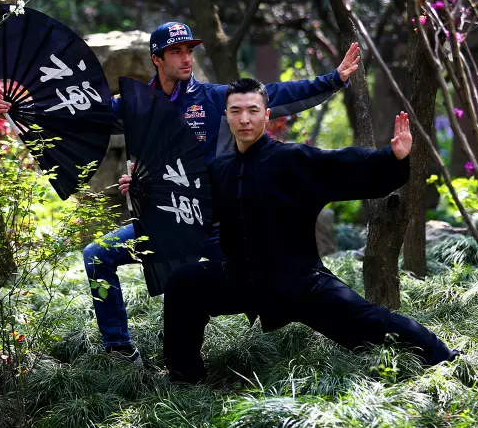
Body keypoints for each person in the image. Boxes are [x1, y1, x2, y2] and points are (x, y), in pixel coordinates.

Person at [0, 22, 363, 363]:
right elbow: (84, 115)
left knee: (281, 278)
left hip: (215, 224)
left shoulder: (214, 98)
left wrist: (333, 79)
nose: (186, 58)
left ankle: (355, 330)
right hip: (164, 225)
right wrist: (24, 109)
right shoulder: (135, 104)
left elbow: (278, 95)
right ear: (157, 59)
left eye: (190, 50)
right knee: (96, 255)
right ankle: (120, 349)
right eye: (176, 52)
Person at [158, 78, 458, 383]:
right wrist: (143, 189)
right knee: (185, 282)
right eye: (235, 111)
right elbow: (189, 205)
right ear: (227, 116)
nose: (244, 119)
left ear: (267, 114)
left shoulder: (293, 160)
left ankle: (445, 358)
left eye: (252, 110)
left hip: (298, 282)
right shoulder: (220, 169)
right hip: (242, 280)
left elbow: (341, 163)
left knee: (366, 320)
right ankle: (184, 374)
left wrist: (391, 157)